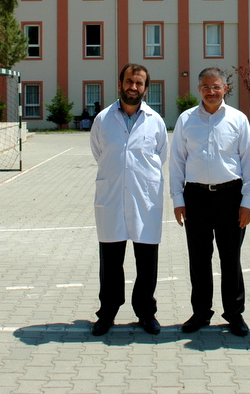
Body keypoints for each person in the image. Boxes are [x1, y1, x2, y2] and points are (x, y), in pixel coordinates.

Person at [169, 67, 250, 337]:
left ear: (225, 88)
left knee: (231, 259)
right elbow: (177, 162)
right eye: (206, 86)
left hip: (231, 197)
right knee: (199, 259)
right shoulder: (186, 120)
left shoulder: (238, 120)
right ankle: (201, 312)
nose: (211, 91)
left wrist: (247, 202)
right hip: (195, 197)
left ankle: (234, 313)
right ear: (199, 89)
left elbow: (248, 163)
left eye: (216, 86)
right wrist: (177, 200)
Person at [89, 63, 168, 336]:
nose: (133, 87)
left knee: (147, 262)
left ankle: (146, 312)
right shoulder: (103, 119)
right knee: (110, 261)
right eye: (129, 82)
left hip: (144, 200)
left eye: (139, 83)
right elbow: (99, 152)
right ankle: (107, 312)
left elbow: (161, 155)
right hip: (111, 198)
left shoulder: (155, 121)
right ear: (120, 83)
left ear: (146, 88)